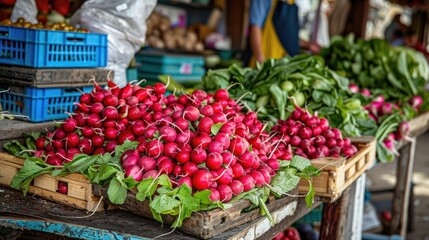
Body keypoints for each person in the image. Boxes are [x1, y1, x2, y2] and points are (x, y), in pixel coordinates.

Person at [247, 0, 320, 67]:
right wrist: (260, 58)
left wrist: (308, 45)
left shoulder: (292, 2)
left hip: (286, 64)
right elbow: (255, 28)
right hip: (267, 60)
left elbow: (287, 35)